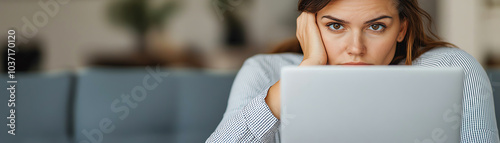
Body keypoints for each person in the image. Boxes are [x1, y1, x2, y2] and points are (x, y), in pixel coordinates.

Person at [207, 0, 499, 142]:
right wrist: (308, 71)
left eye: (376, 26)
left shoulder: (451, 68)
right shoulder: (265, 71)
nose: (356, 48)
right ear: (308, 27)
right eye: (335, 26)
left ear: (401, 29)